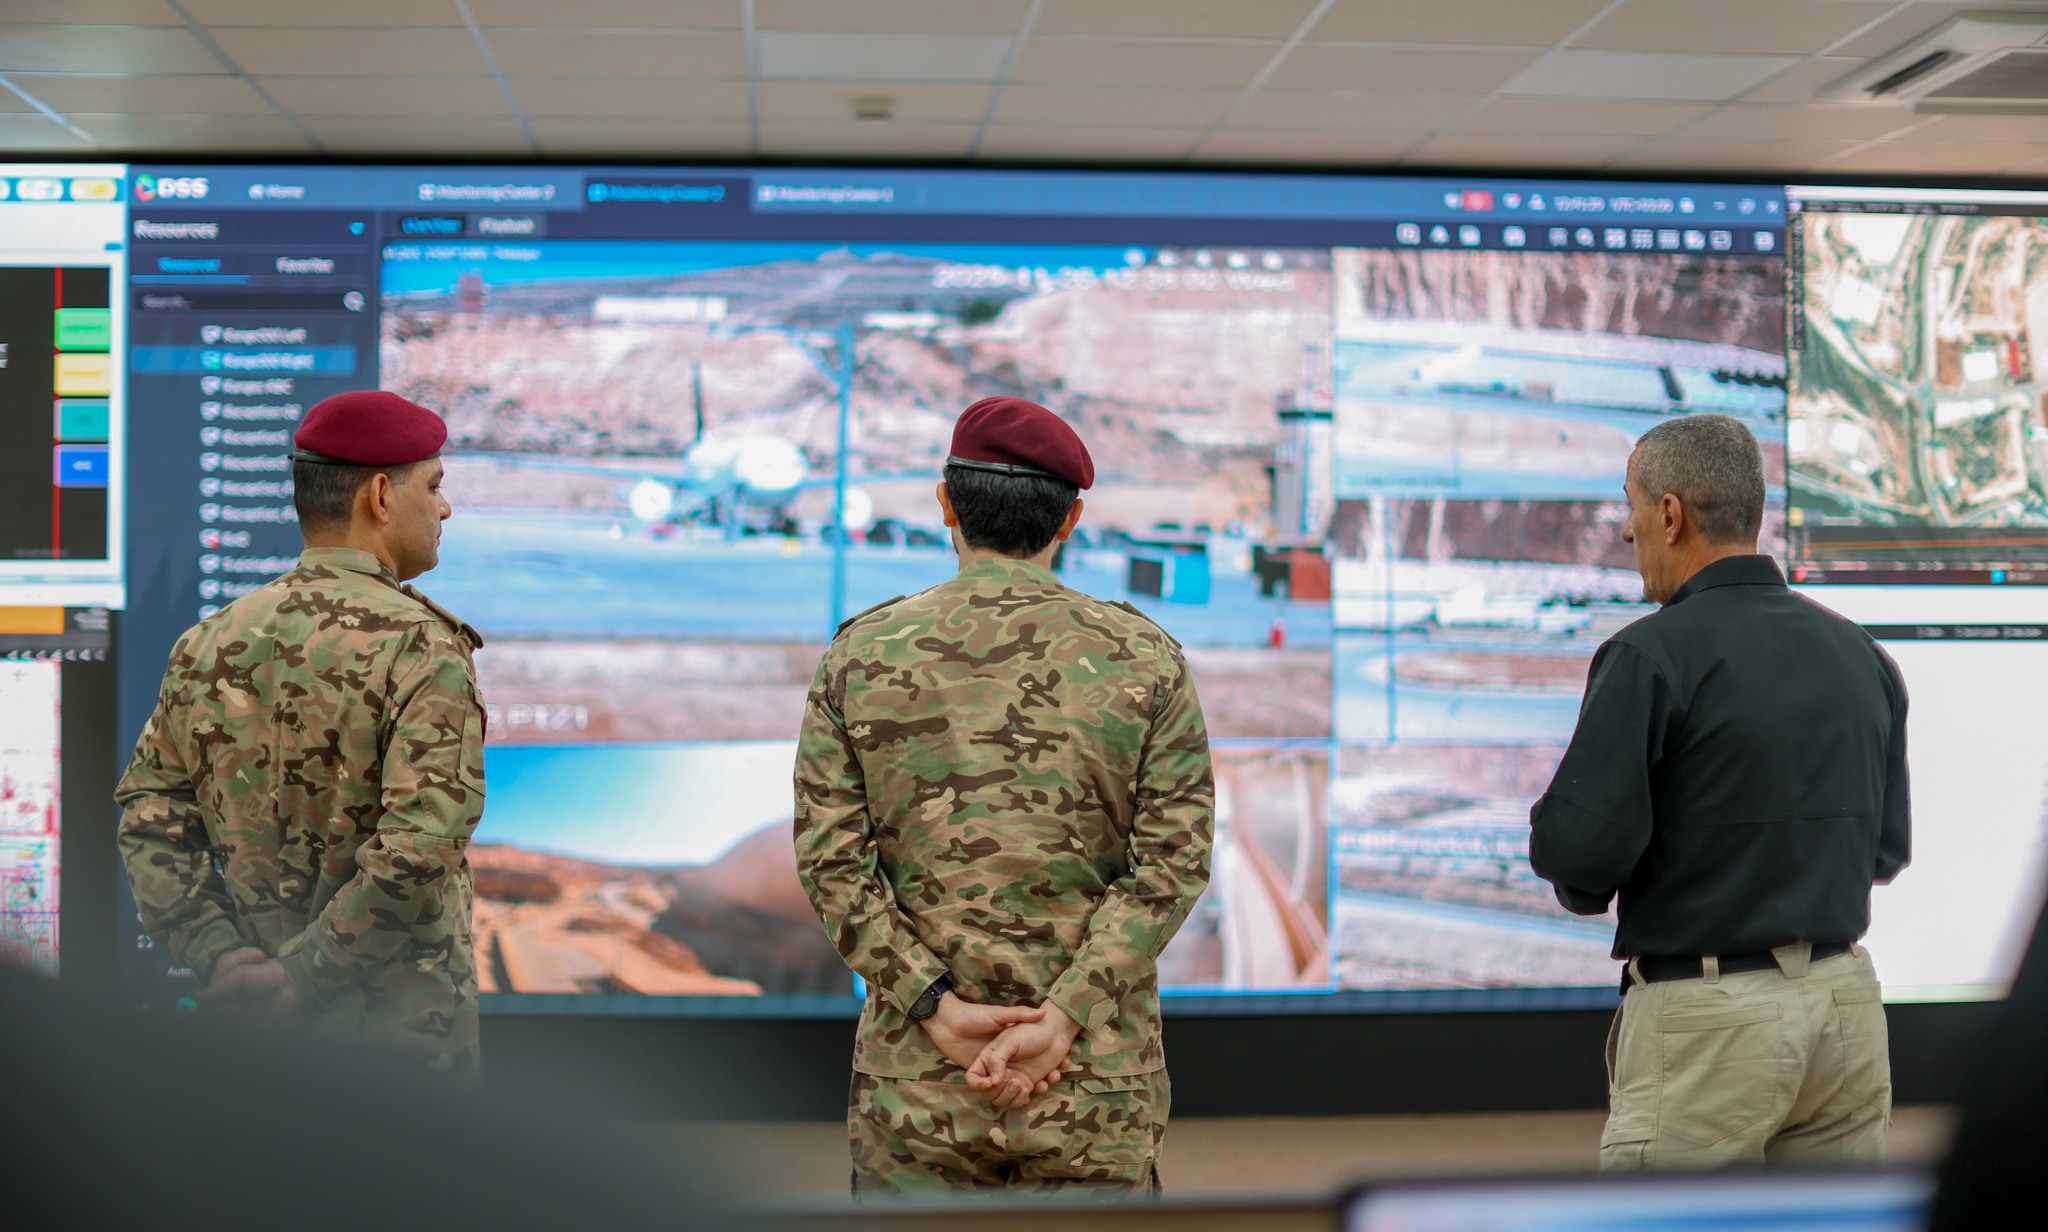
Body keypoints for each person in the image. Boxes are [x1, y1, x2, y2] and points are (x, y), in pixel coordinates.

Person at [794, 396, 1215, 1196]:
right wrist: (1064, 1017)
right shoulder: (1147, 659)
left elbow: (832, 866)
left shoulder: (860, 655)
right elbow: (1172, 868)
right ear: (1072, 519)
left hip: (918, 1079)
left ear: (945, 503)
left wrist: (935, 1007)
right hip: (1092, 1078)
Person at [1529, 413, 1910, 1171]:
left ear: (1670, 515)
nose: (1627, 532)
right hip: (1845, 1014)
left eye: (1632, 507)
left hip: (1709, 1026)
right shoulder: (1860, 653)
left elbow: (1579, 854)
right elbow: (1886, 852)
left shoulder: (1648, 656)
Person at [117, 390, 487, 1071]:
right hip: (396, 1056)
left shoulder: (207, 641)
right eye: (434, 486)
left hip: (254, 1041)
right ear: (381, 496)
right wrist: (303, 977)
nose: (445, 508)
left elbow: (151, 821)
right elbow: (423, 842)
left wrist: (221, 956)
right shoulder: (421, 646)